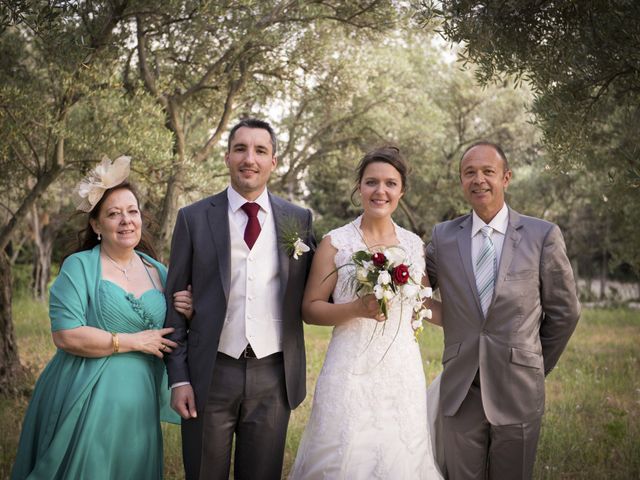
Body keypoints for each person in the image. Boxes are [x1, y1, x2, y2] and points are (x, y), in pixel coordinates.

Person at [11, 156, 193, 480]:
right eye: (113, 213)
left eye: (132, 211)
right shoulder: (79, 267)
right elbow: (65, 336)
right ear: (96, 225)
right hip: (86, 394)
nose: (126, 221)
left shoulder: (160, 273)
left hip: (139, 402)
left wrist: (189, 312)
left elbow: (176, 334)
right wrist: (131, 341)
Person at [163, 118, 315, 480]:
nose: (250, 158)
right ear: (228, 157)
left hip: (273, 375)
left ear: (273, 161)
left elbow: (317, 286)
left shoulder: (299, 219)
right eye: (241, 149)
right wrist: (179, 379)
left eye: (260, 150)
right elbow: (174, 306)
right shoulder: (193, 218)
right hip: (209, 372)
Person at [425, 141, 581, 479]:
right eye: (469, 173)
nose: (478, 179)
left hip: (518, 387)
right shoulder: (443, 237)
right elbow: (414, 290)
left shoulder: (542, 235)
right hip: (461, 389)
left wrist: (534, 363)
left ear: (506, 177)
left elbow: (565, 312)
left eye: (487, 172)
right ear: (461, 181)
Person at [289, 146, 444, 479]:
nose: (380, 191)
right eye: (372, 182)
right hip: (349, 372)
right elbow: (310, 309)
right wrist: (356, 309)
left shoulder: (414, 245)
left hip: (402, 373)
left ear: (401, 191)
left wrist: (478, 320)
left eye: (390, 183)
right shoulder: (336, 243)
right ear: (359, 187)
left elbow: (423, 303)